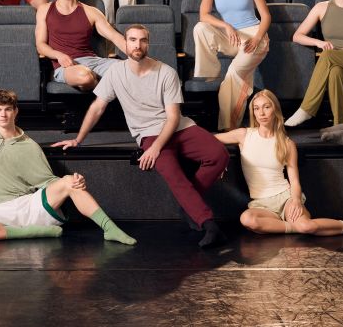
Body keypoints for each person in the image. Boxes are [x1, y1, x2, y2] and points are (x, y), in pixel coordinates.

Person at [53, 25, 230, 247]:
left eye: (142, 40)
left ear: (148, 43)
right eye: (133, 40)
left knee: (218, 154)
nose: (137, 45)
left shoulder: (166, 72)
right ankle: (208, 224)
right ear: (125, 43)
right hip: (147, 133)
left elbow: (173, 117)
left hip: (179, 128)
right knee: (172, 172)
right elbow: (98, 107)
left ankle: (189, 205)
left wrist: (155, 148)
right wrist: (78, 139)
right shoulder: (116, 73)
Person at [0, 90, 136, 245]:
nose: (3, 114)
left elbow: (48, 182)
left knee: (69, 182)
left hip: (27, 206)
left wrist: (75, 182)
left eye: (7, 109)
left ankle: (110, 229)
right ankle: (37, 232)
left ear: (15, 112)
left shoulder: (29, 146)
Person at [214, 90, 343, 235]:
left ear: (275, 109)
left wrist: (296, 200)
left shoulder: (287, 144)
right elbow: (211, 139)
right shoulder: (244, 135)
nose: (261, 113)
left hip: (285, 197)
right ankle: (292, 228)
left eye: (266, 107)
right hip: (261, 204)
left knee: (308, 226)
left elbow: (295, 181)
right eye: (257, 108)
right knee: (247, 219)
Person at [193, 0, 271, 131]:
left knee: (233, 77)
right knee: (200, 27)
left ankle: (228, 127)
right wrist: (226, 25)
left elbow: (266, 16)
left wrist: (258, 37)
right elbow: (204, 15)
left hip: (254, 36)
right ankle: (211, 72)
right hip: (233, 37)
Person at [36, 0, 127, 91]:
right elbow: (40, 44)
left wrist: (136, 55)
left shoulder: (91, 11)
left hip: (94, 62)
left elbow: (114, 36)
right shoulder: (44, 10)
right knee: (85, 77)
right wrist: (58, 55)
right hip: (66, 67)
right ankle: (105, 89)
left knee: (131, 69)